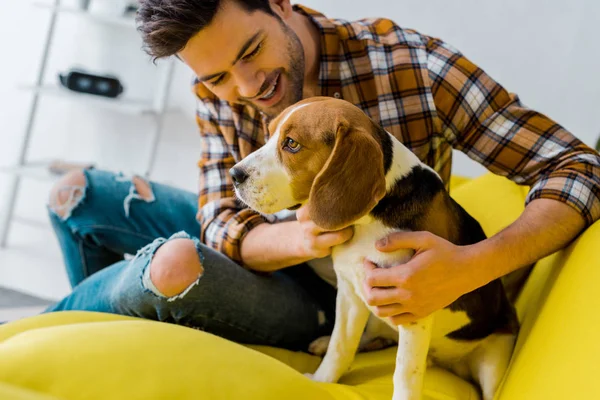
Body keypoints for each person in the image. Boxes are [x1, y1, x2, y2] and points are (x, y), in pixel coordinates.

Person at [45, 0, 600, 350]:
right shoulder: (219, 87)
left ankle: (39, 336)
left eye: (252, 51)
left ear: (281, 4)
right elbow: (218, 220)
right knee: (74, 195)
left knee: (173, 264)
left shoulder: (413, 67)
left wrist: (474, 266)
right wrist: (303, 234)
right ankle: (84, 356)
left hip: (334, 293)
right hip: (272, 248)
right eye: (217, 77)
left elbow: (579, 167)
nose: (246, 87)